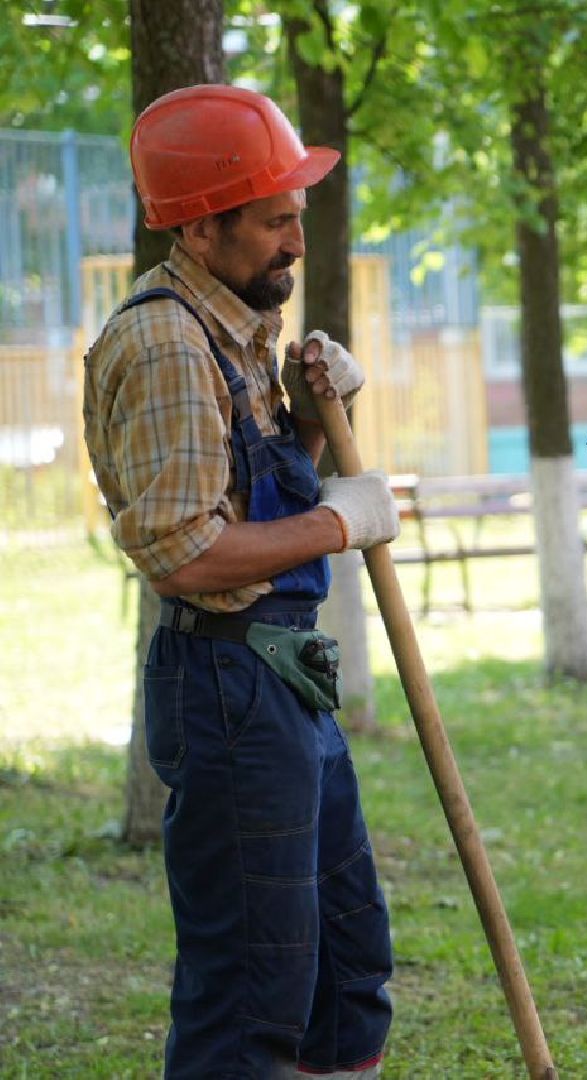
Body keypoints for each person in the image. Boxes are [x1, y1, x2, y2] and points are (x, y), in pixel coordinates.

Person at [82, 84, 400, 1079]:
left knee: (345, 984)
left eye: (298, 216)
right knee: (251, 999)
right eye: (274, 221)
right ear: (203, 225)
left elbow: (250, 495)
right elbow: (185, 551)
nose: (296, 242)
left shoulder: (241, 332)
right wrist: (337, 522)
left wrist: (314, 414)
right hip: (227, 691)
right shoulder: (169, 344)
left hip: (287, 676)